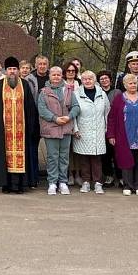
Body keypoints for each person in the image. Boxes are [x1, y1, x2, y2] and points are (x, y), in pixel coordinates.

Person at [0, 57, 40, 194]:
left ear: (18, 70)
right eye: (10, 69)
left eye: (14, 69)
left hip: (22, 131)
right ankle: (6, 184)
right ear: (6, 71)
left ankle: (20, 185)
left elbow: (31, 109)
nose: (12, 72)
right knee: (4, 157)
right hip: (4, 132)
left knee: (22, 156)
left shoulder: (24, 85)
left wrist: (33, 129)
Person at [106, 74, 138, 196]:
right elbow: (112, 118)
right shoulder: (119, 98)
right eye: (130, 83)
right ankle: (127, 185)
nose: (133, 85)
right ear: (125, 85)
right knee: (126, 161)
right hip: (124, 135)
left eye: (135, 83)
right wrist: (111, 135)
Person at [38, 66, 80, 195]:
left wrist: (69, 117)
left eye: (58, 75)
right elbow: (42, 109)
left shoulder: (68, 90)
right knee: (52, 157)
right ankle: (52, 182)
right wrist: (55, 118)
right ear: (49, 76)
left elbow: (76, 107)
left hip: (66, 128)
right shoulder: (44, 92)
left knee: (64, 157)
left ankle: (63, 182)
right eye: (53, 75)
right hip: (51, 129)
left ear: (62, 76)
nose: (56, 77)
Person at [73, 70, 110, 194]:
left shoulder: (102, 94)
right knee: (84, 158)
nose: (87, 81)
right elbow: (73, 113)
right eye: (85, 79)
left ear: (95, 80)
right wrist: (75, 128)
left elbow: (107, 112)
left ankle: (98, 183)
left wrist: (107, 128)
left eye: (90, 79)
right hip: (82, 130)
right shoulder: (76, 94)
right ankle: (86, 182)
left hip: (98, 130)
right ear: (81, 81)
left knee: (97, 158)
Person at [98, 69, 121, 186]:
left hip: (115, 126)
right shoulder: (98, 93)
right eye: (101, 79)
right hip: (101, 126)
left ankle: (120, 176)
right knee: (105, 153)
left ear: (110, 80)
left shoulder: (117, 92)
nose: (104, 80)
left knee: (117, 152)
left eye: (106, 78)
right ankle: (109, 175)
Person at [62, 61, 80, 186]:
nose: (71, 73)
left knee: (77, 149)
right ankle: (69, 174)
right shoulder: (61, 85)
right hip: (66, 119)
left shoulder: (80, 84)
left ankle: (78, 174)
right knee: (67, 150)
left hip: (80, 118)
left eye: (73, 71)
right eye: (68, 71)